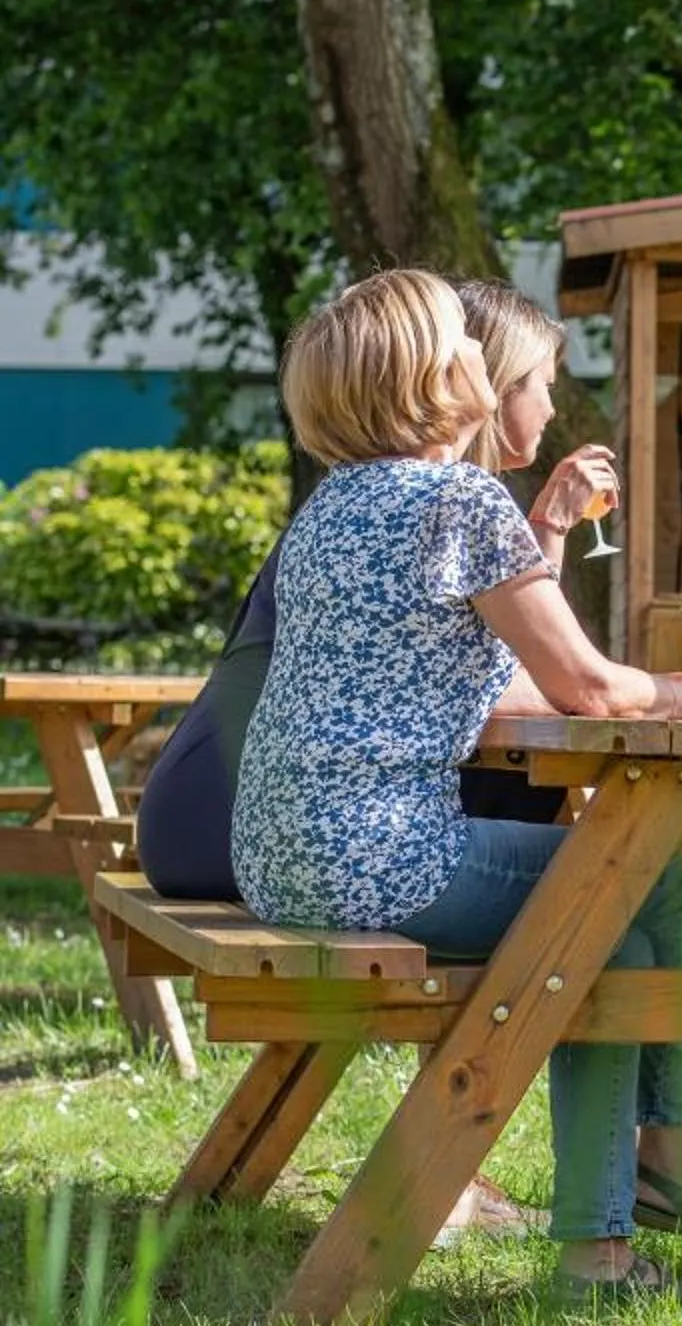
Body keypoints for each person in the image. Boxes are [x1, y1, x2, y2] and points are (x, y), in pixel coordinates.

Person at [228, 266, 682, 1290]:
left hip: (274, 857)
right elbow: (584, 687)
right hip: (378, 858)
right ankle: (613, 1226)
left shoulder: (329, 508)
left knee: (618, 892)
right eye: (464, 341)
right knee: (630, 881)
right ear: (435, 373)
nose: (485, 353)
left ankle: (637, 1192)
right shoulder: (459, 498)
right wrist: (676, 690)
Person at [136, 279, 619, 899]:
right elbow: (538, 687)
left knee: (537, 815)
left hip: (236, 825)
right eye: (544, 383)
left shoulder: (358, 500)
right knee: (590, 852)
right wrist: (645, 689)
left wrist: (545, 534)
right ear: (488, 383)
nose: (553, 408)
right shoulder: (431, 508)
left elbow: (505, 670)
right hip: (233, 822)